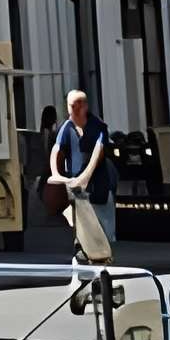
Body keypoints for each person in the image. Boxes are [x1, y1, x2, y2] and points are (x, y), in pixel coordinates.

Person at [49, 86, 113, 272]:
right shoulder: (67, 127)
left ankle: (104, 274)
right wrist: (56, 173)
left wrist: (85, 177)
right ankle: (82, 271)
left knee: (101, 235)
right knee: (81, 234)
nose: (71, 110)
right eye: (69, 106)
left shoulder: (98, 127)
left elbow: (98, 154)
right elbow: (57, 150)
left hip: (97, 189)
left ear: (83, 106)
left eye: (75, 106)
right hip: (77, 190)